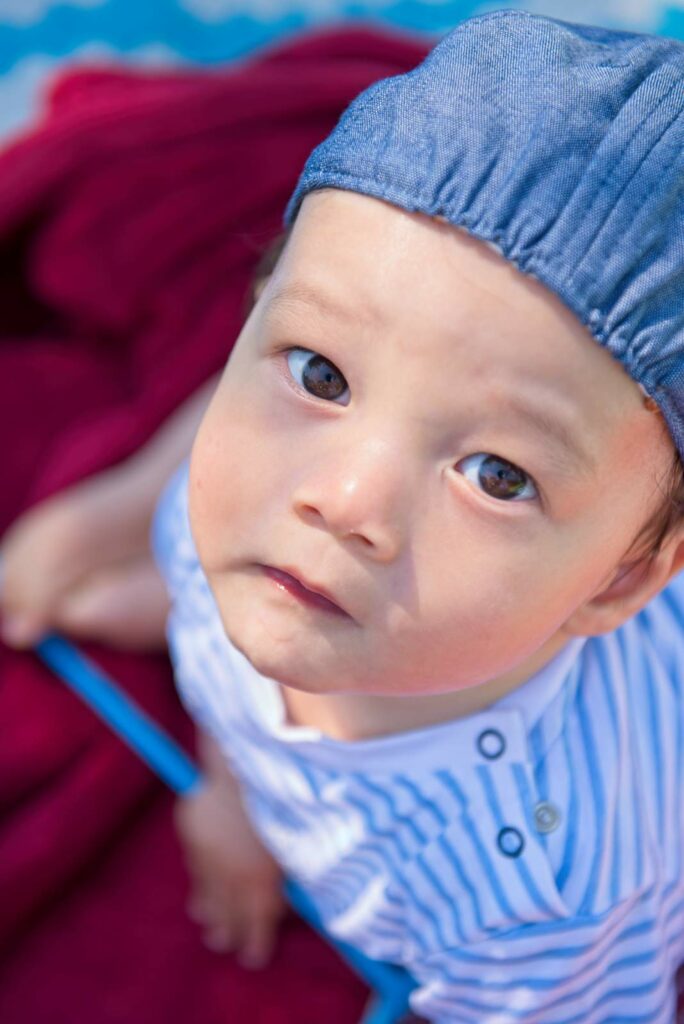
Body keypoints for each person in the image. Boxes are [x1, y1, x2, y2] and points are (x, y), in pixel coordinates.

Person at [4, 10, 684, 1020]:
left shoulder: (551, 890)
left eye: (497, 475)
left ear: (619, 580)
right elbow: (225, 662)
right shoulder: (244, 521)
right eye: (321, 373)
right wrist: (230, 794)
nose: (343, 500)